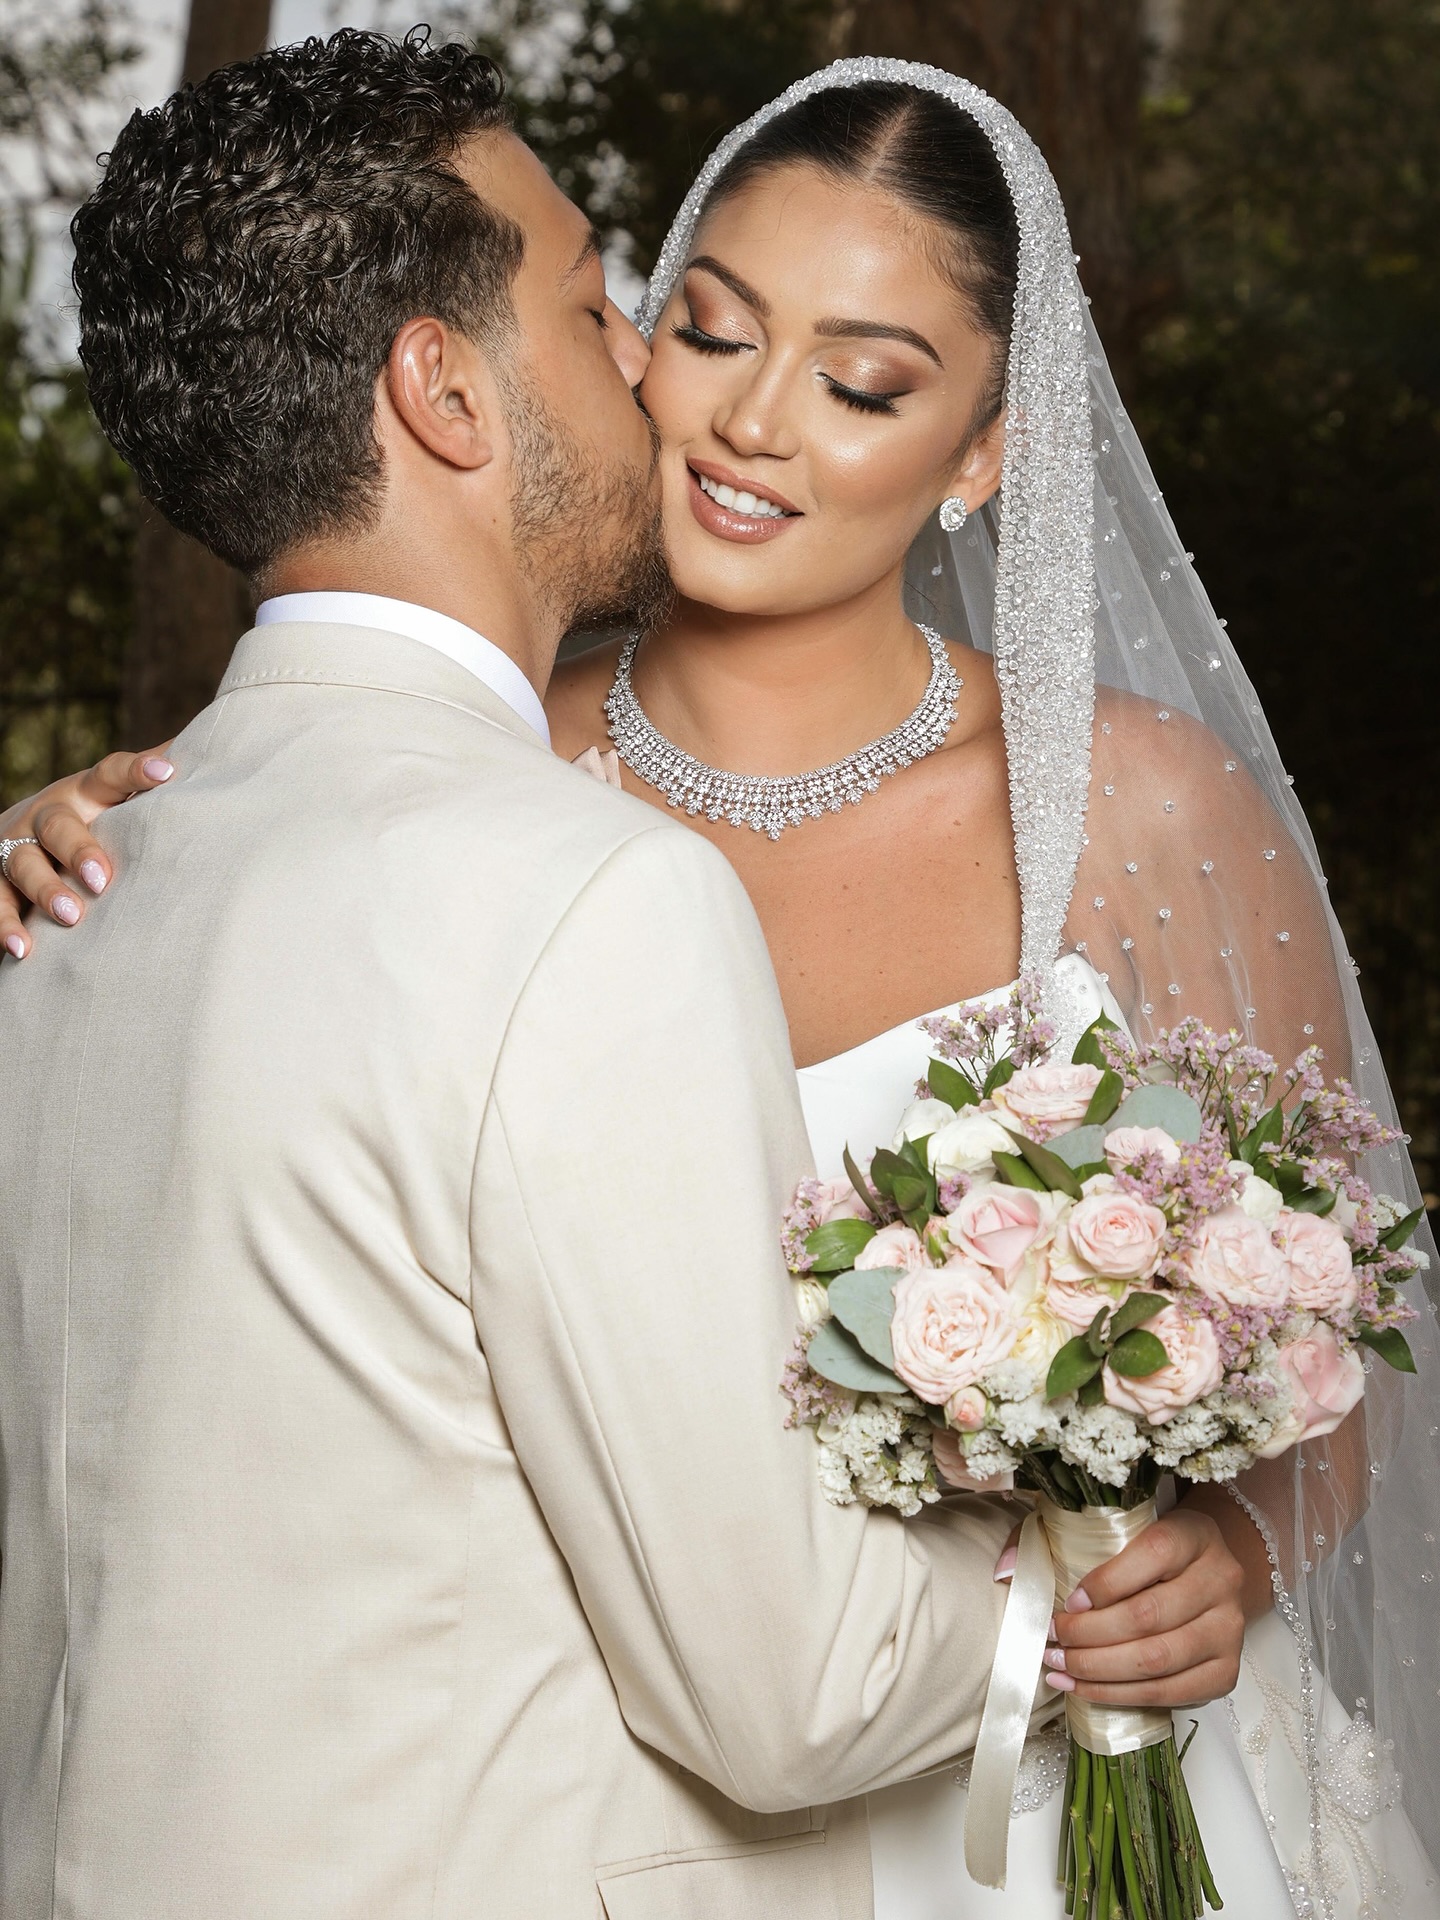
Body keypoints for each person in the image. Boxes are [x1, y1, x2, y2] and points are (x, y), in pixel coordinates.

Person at [0, 34, 1259, 1920]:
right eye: (636, 310)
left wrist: (1211, 1530)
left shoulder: (114, 885)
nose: (703, 401)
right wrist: (1073, 1571)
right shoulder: (567, 876)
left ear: (981, 447)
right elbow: (797, 1689)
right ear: (441, 389)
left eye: (856, 378)